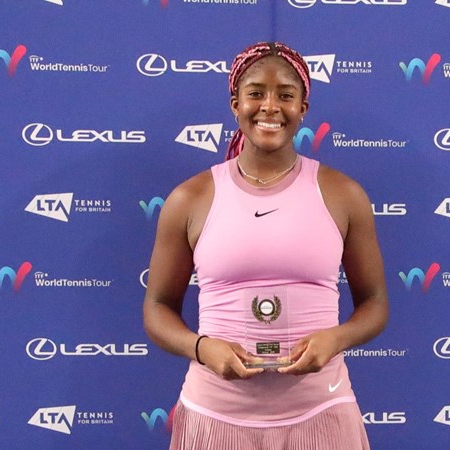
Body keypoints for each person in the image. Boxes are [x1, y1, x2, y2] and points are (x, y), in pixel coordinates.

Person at [143, 41, 388, 450]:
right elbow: (156, 309)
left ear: (303, 108)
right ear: (235, 103)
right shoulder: (190, 198)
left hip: (321, 413)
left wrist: (336, 339)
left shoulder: (343, 194)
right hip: (215, 416)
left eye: (286, 95)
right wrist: (203, 349)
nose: (270, 107)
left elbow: (376, 302)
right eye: (256, 93)